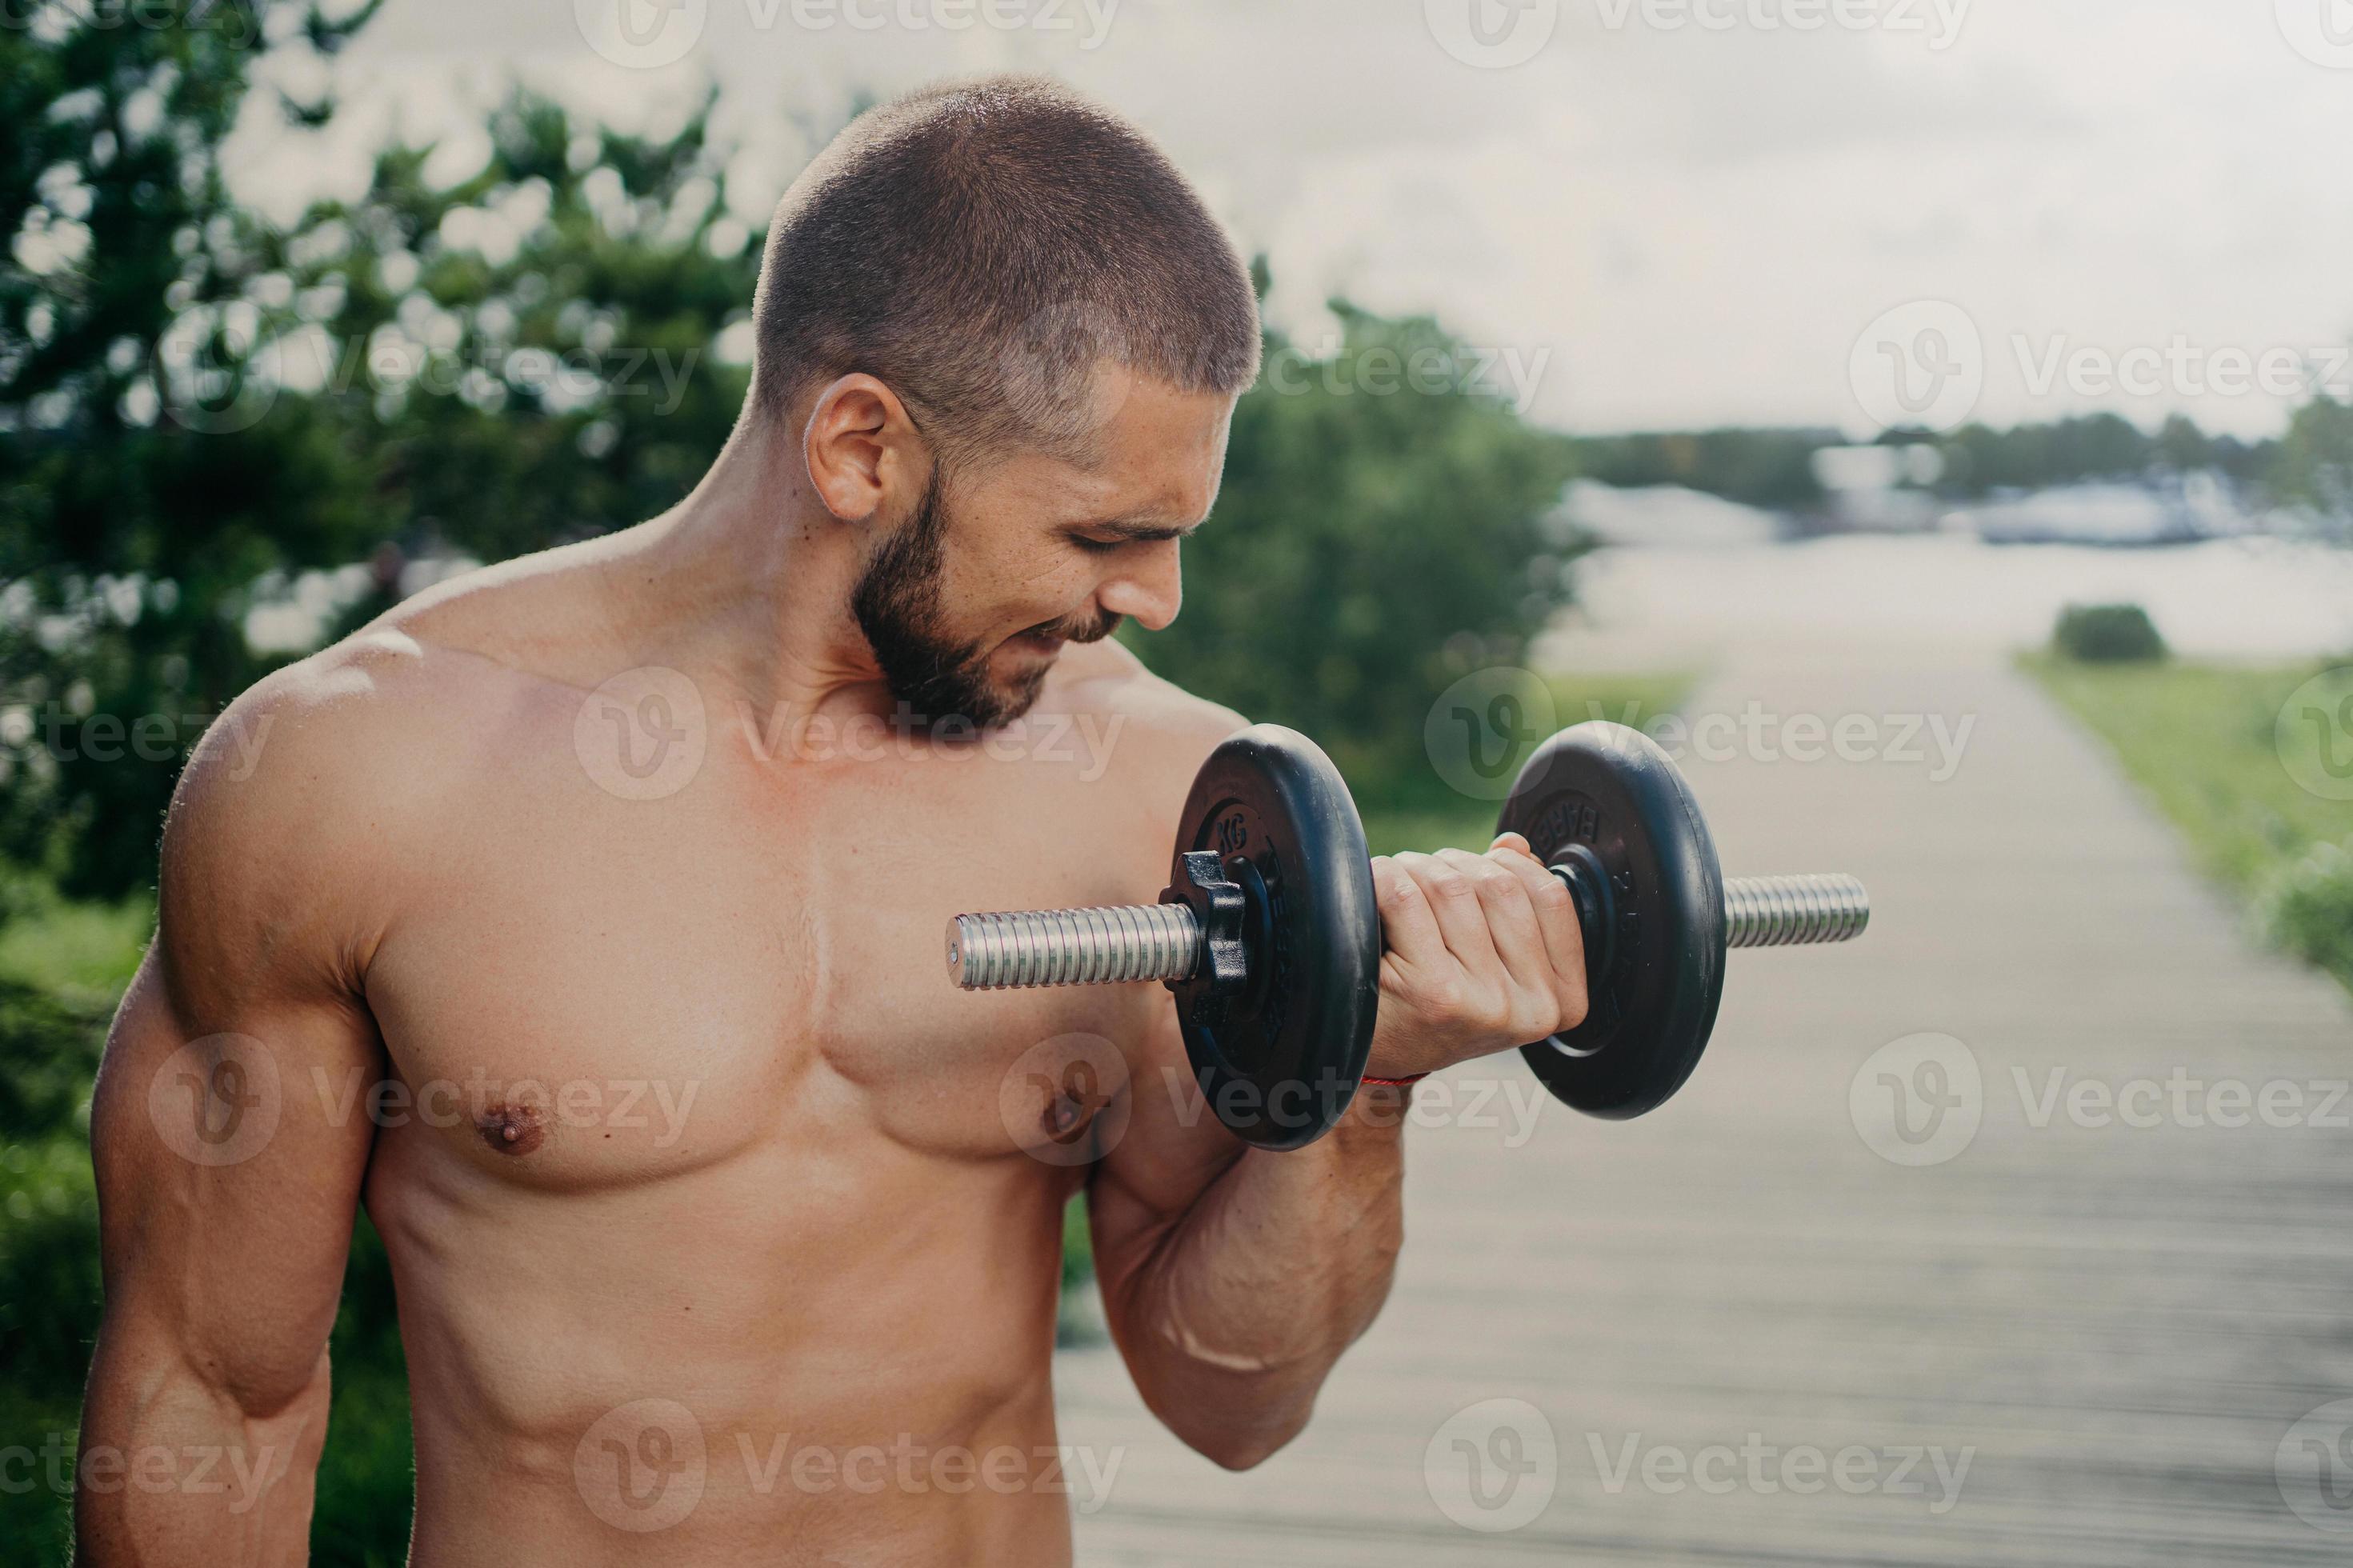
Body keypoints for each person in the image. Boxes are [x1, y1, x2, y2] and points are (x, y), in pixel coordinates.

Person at [74, 75, 1587, 1565]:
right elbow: (213, 1399)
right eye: (1102, 535)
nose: (1153, 600)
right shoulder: (361, 773)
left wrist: (1364, 1079)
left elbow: (1229, 1404)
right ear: (861, 446)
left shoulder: (1158, 796)